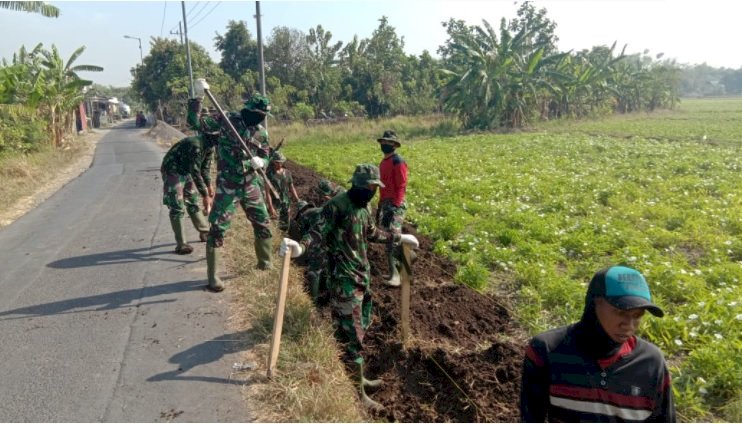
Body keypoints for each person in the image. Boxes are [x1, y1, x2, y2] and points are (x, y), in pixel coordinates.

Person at [280, 164, 419, 410]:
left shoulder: (363, 207)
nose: (375, 191)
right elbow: (317, 232)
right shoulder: (337, 206)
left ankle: (359, 376)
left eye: (377, 188)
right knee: (352, 339)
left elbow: (373, 233)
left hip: (361, 278)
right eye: (372, 187)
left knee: (361, 328)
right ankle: (358, 395)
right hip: (343, 282)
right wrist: (299, 247)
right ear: (360, 185)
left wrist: (399, 239)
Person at [520, 265, 675, 422]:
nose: (629, 324)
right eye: (621, 312)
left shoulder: (651, 363)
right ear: (595, 303)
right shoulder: (548, 351)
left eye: (638, 315)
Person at [196, 79, 276, 292]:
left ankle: (265, 264)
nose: (261, 119)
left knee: (263, 223)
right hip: (227, 185)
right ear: (249, 111)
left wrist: (262, 162)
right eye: (259, 114)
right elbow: (196, 123)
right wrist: (196, 98)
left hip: (250, 183)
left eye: (264, 116)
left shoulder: (261, 133)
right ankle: (213, 278)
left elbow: (266, 154)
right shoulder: (226, 120)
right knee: (217, 229)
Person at [159, 128, 218, 255]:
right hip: (172, 169)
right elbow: (196, 172)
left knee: (192, 201)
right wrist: (205, 195)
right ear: (210, 136)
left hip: (186, 170)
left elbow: (205, 169)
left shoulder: (210, 147)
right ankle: (181, 244)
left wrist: (209, 186)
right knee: (177, 206)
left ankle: (205, 231)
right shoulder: (195, 145)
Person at [293, 179, 345, 303]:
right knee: (327, 267)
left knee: (315, 271)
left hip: (319, 243)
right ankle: (327, 292)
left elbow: (307, 233)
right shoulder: (338, 200)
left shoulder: (313, 214)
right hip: (332, 242)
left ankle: (314, 300)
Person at [376, 130, 408, 287]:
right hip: (385, 204)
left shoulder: (398, 161)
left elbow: (401, 186)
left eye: (389, 143)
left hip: (396, 204)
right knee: (386, 237)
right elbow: (382, 187)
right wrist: (380, 205)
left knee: (393, 236)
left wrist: (394, 207)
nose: (385, 145)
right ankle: (392, 271)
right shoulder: (383, 163)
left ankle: (397, 274)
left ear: (394, 145)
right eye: (384, 142)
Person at [266, 151, 300, 231]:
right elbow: (267, 192)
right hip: (275, 204)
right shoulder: (269, 174)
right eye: (277, 162)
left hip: (286, 203)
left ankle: (284, 236)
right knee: (274, 224)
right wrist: (271, 207)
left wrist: (297, 199)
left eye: (281, 162)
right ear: (274, 161)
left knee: (285, 225)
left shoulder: (287, 173)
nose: (279, 164)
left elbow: (291, 187)